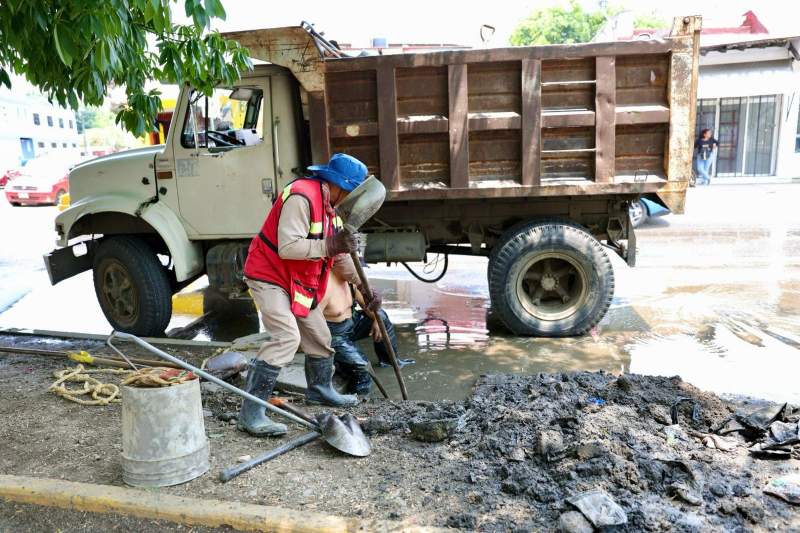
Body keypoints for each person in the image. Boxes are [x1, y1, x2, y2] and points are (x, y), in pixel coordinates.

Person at [237, 153, 381, 437]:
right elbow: (288, 247)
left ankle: (320, 390)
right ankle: (251, 412)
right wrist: (330, 245)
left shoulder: (333, 209)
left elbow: (340, 258)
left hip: (299, 279)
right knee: (286, 337)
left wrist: (365, 288)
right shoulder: (301, 197)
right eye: (352, 193)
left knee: (319, 336)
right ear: (339, 185)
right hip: (270, 275)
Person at [320, 267, 414, 396]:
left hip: (351, 323)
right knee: (363, 367)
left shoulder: (350, 280)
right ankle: (360, 399)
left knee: (382, 318)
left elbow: (368, 306)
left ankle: (390, 361)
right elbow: (310, 324)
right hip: (333, 335)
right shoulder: (323, 284)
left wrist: (377, 319)